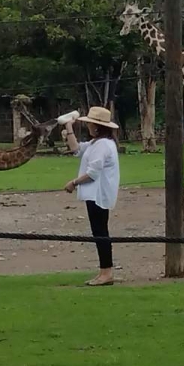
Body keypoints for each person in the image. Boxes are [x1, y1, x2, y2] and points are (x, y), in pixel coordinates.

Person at [62, 106, 121, 286]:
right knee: (99, 231)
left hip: (99, 195)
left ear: (96, 126)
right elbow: (76, 150)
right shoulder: (97, 143)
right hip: (96, 195)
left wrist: (74, 182)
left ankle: (107, 272)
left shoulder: (102, 145)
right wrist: (69, 127)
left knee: (101, 232)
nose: (88, 127)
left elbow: (93, 173)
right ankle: (104, 271)